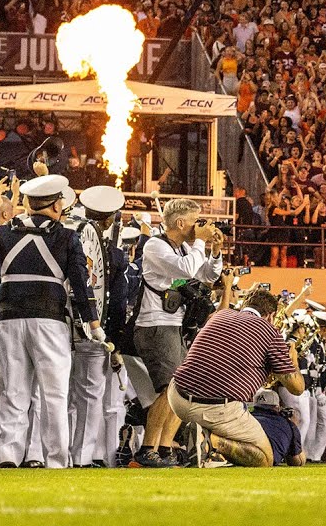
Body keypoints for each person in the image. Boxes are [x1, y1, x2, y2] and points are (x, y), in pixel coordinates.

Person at [0, 175, 102, 468]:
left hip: (8, 318)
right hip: (49, 320)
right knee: (54, 394)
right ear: (56, 205)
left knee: (11, 390)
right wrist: (93, 324)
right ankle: (56, 460)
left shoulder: (3, 233)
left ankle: (7, 457)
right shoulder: (66, 236)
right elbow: (80, 283)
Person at [130, 198, 225, 467]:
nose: (200, 226)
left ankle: (163, 448)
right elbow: (185, 269)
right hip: (155, 325)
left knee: (180, 391)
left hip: (173, 323)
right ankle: (147, 448)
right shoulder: (154, 246)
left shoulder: (183, 246)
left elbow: (207, 274)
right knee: (169, 389)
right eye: (196, 221)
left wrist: (215, 251)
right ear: (180, 223)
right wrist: (202, 243)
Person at [168, 288, 303, 467]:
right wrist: (293, 361)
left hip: (177, 395)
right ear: (270, 316)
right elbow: (297, 388)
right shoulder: (270, 332)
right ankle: (210, 440)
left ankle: (199, 445)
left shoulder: (220, 315)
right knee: (265, 457)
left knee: (235, 407)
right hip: (214, 407)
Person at [68, 185, 127, 468]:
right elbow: (115, 301)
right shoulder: (114, 255)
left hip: (63, 323)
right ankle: (81, 456)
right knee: (90, 396)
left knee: (58, 395)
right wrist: (112, 336)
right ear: (110, 219)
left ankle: (48, 453)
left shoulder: (68, 236)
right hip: (93, 329)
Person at [250, 389, 307, 467]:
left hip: (238, 455)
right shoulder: (287, 424)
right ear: (277, 407)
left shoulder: (244, 418)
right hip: (265, 459)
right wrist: (294, 427)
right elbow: (297, 462)